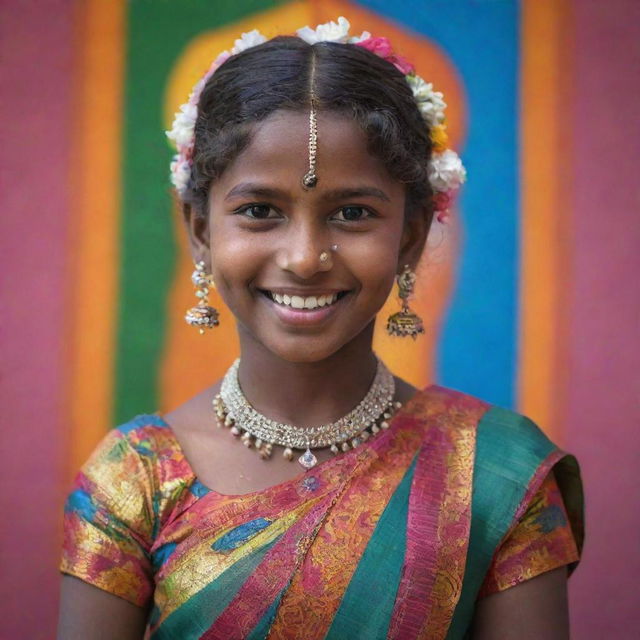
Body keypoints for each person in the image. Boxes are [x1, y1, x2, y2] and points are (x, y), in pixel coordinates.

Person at [57, 17, 583, 640]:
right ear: (199, 229)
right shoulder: (135, 479)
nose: (305, 257)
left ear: (410, 236)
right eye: (260, 212)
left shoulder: (494, 474)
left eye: (352, 213)